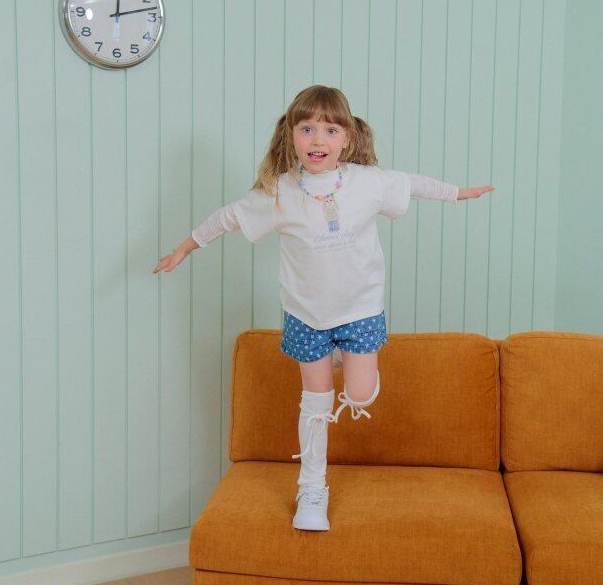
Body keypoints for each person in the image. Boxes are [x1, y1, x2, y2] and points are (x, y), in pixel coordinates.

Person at [152, 85, 494, 532]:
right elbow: (228, 217)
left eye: (330, 130)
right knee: (315, 402)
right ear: (291, 136)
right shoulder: (279, 192)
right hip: (306, 315)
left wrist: (460, 193)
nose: (318, 139)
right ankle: (312, 488)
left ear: (347, 138)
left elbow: (412, 183)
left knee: (359, 394)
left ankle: (346, 367)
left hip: (360, 309)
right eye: (307, 128)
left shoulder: (367, 182)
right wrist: (185, 248)